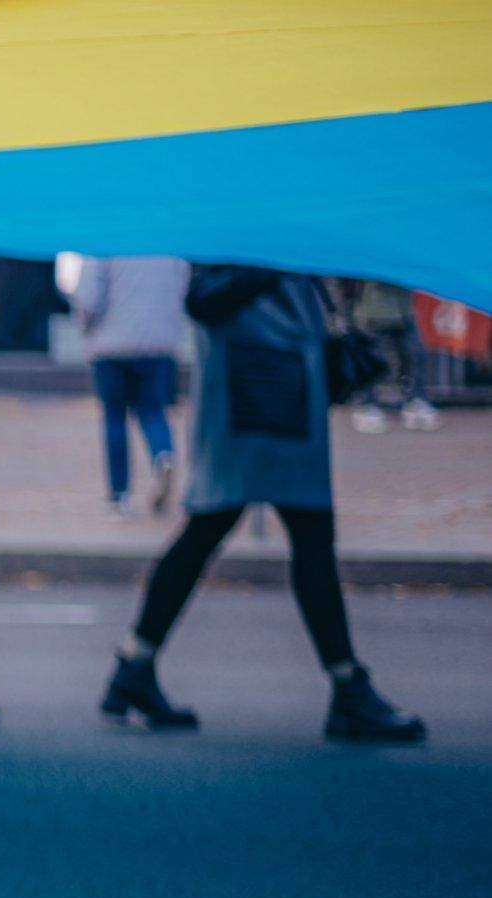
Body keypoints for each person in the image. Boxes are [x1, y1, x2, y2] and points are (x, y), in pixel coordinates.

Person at [102, 266, 425, 742]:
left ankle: (135, 666)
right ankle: (347, 687)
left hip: (279, 386)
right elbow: (203, 299)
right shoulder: (247, 224)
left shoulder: (267, 219)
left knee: (228, 529)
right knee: (290, 532)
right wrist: (276, 261)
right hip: (257, 390)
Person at [72, 255, 187, 515]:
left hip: (111, 346)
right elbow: (183, 288)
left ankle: (120, 495)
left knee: (114, 419)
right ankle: (163, 454)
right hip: (159, 344)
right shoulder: (169, 242)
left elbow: (88, 297)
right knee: (153, 411)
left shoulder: (106, 237)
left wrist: (84, 325)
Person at [344, 280, 441, 434]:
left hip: (404, 310)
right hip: (374, 310)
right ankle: (366, 404)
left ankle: (415, 400)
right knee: (371, 359)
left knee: (415, 353)